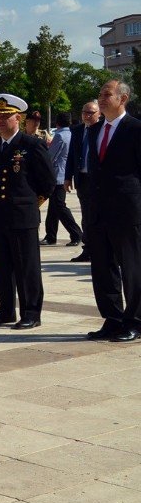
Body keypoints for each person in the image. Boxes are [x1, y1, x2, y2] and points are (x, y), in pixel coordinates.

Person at [0, 94, 55, 330]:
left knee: (26, 267)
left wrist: (30, 205)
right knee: (2, 267)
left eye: (5, 116)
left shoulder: (31, 145)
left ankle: (31, 312)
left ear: (18, 118)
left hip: (22, 216)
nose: (0, 121)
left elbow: (48, 182)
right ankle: (6, 310)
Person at [85, 81, 141, 342]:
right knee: (102, 268)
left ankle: (135, 321)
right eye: (100, 94)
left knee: (132, 267)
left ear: (123, 98)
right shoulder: (94, 130)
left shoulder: (135, 129)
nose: (102, 98)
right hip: (98, 212)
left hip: (127, 212)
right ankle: (113, 318)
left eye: (107, 94)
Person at [65, 101, 102, 263]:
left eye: (91, 113)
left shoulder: (102, 130)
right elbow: (71, 155)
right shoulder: (77, 131)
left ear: (99, 114)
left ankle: (102, 249)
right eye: (84, 112)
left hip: (99, 181)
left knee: (99, 216)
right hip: (83, 179)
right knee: (86, 216)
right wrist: (67, 177)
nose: (86, 115)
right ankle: (88, 249)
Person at [41, 112, 83, 247]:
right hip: (64, 174)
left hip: (57, 175)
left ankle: (76, 233)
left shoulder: (59, 135)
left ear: (57, 123)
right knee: (54, 208)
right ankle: (50, 235)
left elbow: (50, 156)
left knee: (59, 206)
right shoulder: (71, 134)